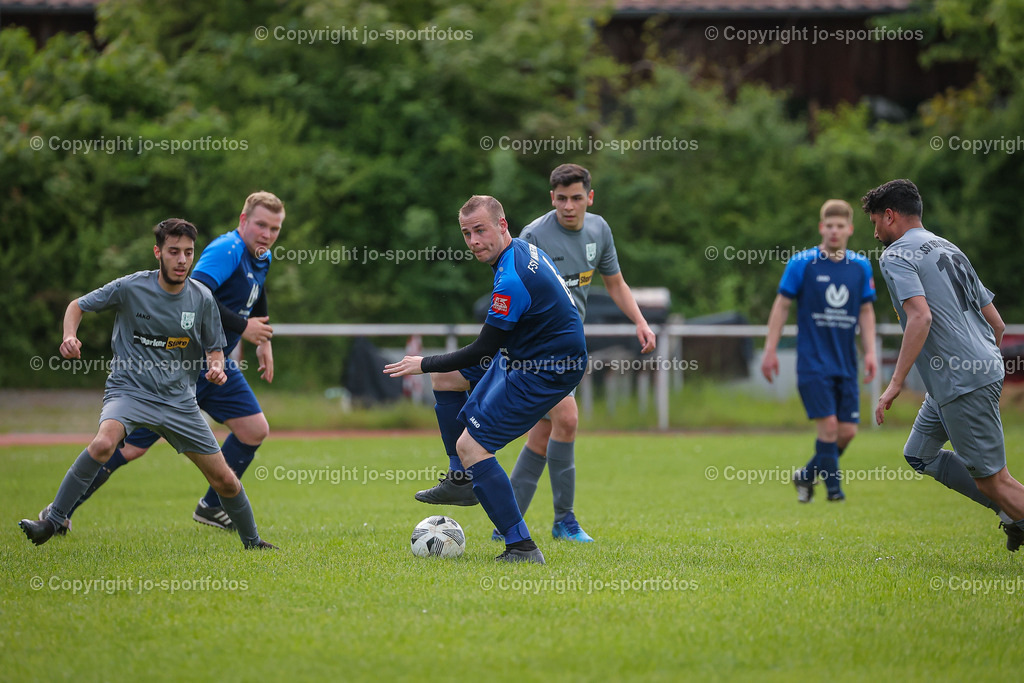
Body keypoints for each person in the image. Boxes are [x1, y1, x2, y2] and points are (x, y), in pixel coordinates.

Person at [19, 219, 275, 549]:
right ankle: (51, 522)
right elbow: (77, 306)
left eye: (188, 253)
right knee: (103, 445)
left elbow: (214, 348)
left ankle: (253, 543)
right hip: (129, 393)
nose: (182, 260)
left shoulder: (202, 298)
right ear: (158, 252)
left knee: (224, 479)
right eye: (174, 252)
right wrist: (69, 336)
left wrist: (216, 369)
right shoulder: (131, 287)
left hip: (179, 402)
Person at [385, 195, 587, 564]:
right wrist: (436, 368)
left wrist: (423, 362)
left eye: (480, 230)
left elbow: (483, 349)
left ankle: (521, 547)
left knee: (473, 446)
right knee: (446, 379)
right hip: (529, 354)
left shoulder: (510, 279)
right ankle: (460, 481)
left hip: (546, 367)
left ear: (502, 225)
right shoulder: (520, 250)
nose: (474, 241)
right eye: (467, 233)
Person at [486, 163, 654, 543]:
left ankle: (505, 525)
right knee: (568, 419)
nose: (569, 206)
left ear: (589, 198)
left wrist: (640, 321)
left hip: (568, 346)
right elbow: (512, 290)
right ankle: (565, 521)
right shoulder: (533, 236)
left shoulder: (599, 230)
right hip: (537, 347)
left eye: (576, 198)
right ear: (552, 199)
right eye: (561, 198)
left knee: (543, 435)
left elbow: (616, 283)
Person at [866, 178, 1024, 551]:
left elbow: (920, 318)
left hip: (961, 377)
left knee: (992, 480)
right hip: (971, 371)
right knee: (918, 453)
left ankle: (1012, 507)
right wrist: (982, 362)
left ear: (890, 215)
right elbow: (997, 323)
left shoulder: (896, 254)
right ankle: (1012, 513)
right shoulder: (949, 247)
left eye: (874, 222)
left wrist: (896, 382)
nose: (874, 233)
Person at [761, 199, 877, 503]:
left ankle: (806, 476)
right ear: (821, 228)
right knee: (828, 426)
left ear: (850, 229)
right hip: (813, 361)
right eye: (829, 226)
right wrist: (770, 350)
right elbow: (782, 306)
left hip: (846, 362)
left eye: (840, 226)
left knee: (847, 431)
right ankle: (835, 494)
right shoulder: (802, 263)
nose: (834, 231)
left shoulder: (861, 266)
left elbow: (866, 311)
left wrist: (870, 352)